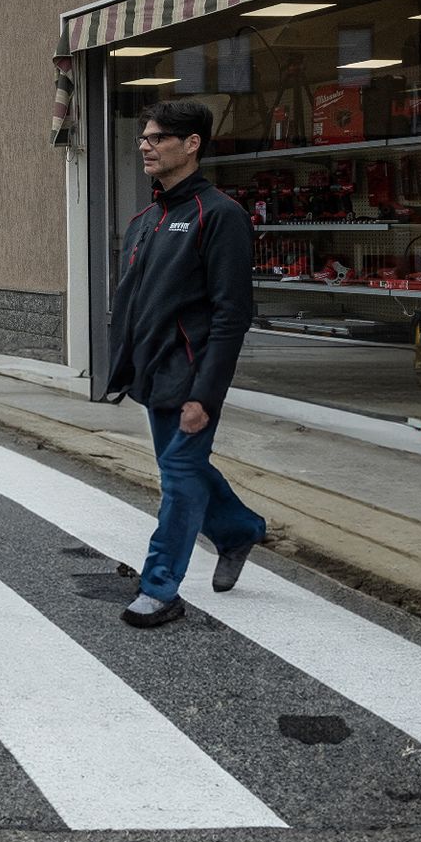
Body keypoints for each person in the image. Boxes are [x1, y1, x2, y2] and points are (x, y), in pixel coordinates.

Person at [108, 100, 267, 628]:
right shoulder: (146, 219)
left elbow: (231, 315)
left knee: (178, 477)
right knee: (186, 470)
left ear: (192, 144)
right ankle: (239, 529)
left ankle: (159, 587)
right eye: (144, 138)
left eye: (158, 138)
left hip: (193, 378)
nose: (145, 146)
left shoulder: (219, 215)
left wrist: (206, 395)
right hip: (154, 377)